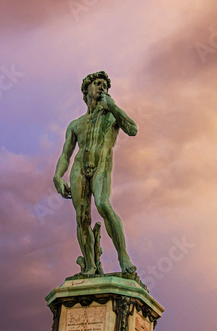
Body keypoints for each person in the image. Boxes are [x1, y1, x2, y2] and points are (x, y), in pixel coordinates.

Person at [53, 71, 138, 274]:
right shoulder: (75, 124)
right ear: (86, 89)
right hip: (78, 169)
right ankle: (90, 266)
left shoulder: (112, 116)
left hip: (101, 165)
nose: (102, 88)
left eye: (105, 85)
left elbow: (133, 129)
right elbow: (66, 154)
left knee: (103, 204)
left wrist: (114, 107)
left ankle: (124, 258)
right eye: (98, 84)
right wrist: (57, 176)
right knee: (82, 218)